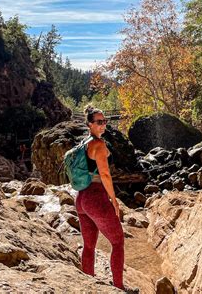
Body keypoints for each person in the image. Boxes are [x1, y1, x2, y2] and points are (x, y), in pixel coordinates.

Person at [75, 104, 128, 291]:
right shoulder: (98, 144)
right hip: (95, 197)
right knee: (118, 242)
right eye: (99, 122)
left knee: (88, 246)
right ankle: (119, 287)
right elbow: (105, 174)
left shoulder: (83, 144)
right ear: (90, 124)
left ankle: (88, 285)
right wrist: (114, 200)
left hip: (81, 198)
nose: (103, 125)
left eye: (104, 121)